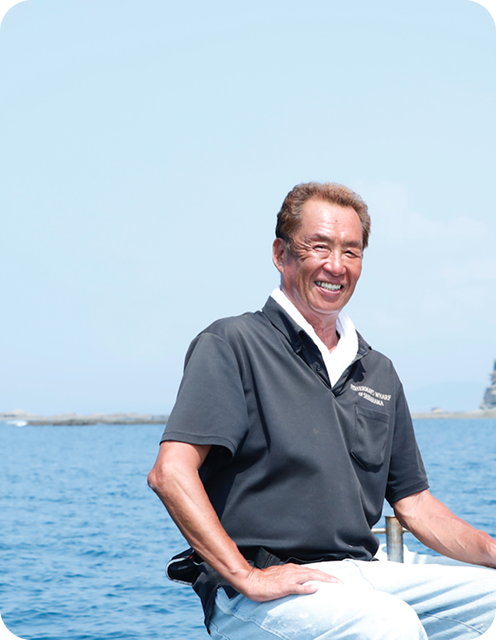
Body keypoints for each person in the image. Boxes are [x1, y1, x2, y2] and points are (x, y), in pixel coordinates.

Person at [148, 182, 496, 639]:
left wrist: (491, 550)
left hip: (362, 572)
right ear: (281, 254)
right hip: (259, 588)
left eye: (351, 251)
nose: (336, 265)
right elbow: (171, 473)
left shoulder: (378, 370)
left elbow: (415, 506)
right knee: (386, 623)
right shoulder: (232, 344)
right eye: (319, 247)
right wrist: (245, 575)